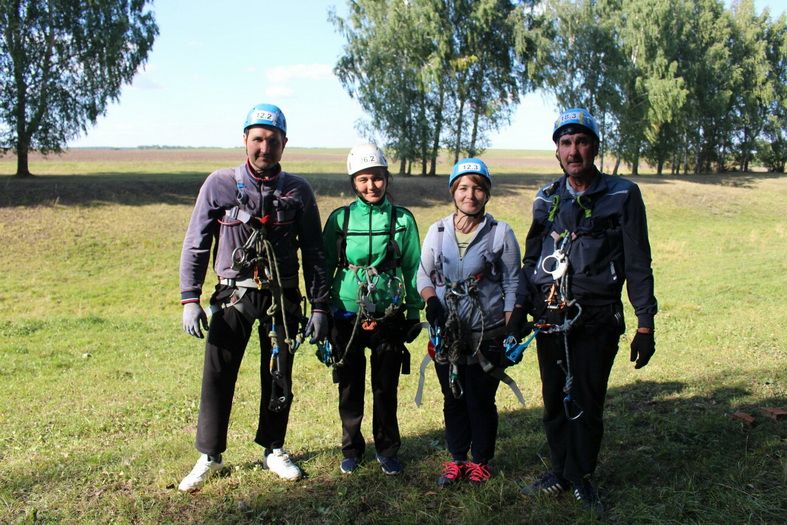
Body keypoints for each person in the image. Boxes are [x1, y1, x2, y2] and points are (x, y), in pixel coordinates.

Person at [177, 103, 330, 491]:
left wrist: (320, 306)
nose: (265, 148)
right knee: (217, 375)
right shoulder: (219, 184)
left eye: (273, 140)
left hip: (283, 299)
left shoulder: (298, 191)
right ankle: (209, 455)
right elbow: (197, 244)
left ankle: (274, 448)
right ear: (245, 139)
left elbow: (313, 250)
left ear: (284, 144)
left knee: (279, 375)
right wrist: (190, 299)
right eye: (258, 139)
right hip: (233, 295)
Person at [514, 108, 657, 513]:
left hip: (596, 315)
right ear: (556, 151)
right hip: (549, 316)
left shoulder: (622, 194)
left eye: (580, 142)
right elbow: (531, 259)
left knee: (587, 399)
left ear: (594, 147)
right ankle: (560, 470)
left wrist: (645, 323)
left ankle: (583, 476)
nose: (573, 151)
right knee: (554, 398)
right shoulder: (546, 198)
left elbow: (637, 262)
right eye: (565, 143)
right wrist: (521, 308)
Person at [417, 158, 521, 487]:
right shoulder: (438, 230)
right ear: (453, 192)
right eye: (463, 188)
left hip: (486, 335)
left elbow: (512, 284)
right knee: (453, 397)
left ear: (487, 193)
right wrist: (431, 300)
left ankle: (481, 461)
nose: (470, 194)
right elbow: (423, 273)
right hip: (447, 334)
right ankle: (457, 459)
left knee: (480, 399)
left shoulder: (500, 233)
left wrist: (508, 332)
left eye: (478, 188)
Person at [320, 144, 423, 476]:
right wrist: (320, 311)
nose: (371, 186)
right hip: (346, 312)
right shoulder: (340, 218)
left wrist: (412, 313)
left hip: (388, 313)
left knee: (385, 384)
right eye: (363, 179)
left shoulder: (403, 219)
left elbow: (412, 268)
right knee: (349, 384)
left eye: (377, 178)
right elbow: (323, 266)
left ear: (386, 178)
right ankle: (351, 448)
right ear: (353, 182)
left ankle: (387, 448)